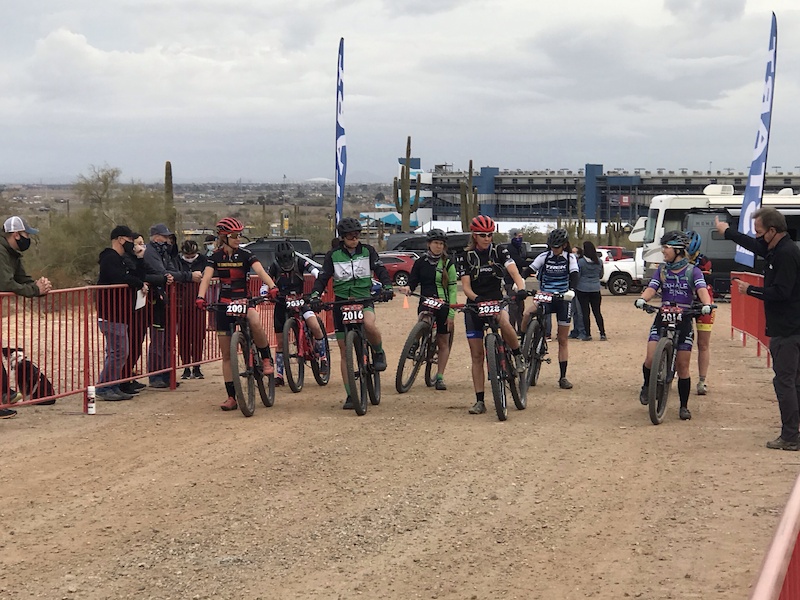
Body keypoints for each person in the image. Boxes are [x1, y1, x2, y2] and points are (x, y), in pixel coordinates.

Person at [714, 210, 800, 449]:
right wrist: (727, 232)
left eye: (761, 232)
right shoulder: (777, 248)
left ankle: (790, 437)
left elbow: (782, 292)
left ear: (773, 231)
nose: (758, 237)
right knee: (793, 382)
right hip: (789, 328)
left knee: (785, 383)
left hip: (788, 330)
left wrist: (749, 290)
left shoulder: (785, 254)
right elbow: (752, 245)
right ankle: (794, 432)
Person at [310, 217, 393, 410]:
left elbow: (380, 270)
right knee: (344, 351)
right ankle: (350, 394)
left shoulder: (368, 251)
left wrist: (387, 286)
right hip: (342, 302)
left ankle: (378, 352)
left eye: (356, 236)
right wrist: (315, 295)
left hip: (363, 298)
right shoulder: (333, 255)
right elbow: (323, 277)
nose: (354, 239)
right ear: (342, 238)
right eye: (349, 237)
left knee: (370, 325)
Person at [195, 217, 277, 411]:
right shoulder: (214, 257)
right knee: (226, 355)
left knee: (255, 320)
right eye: (234, 235)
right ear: (223, 237)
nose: (238, 238)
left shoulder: (246, 254)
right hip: (224, 304)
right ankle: (231, 396)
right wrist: (200, 296)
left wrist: (272, 285)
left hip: (243, 300)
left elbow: (260, 271)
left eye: (240, 234)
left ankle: (265, 358)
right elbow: (206, 277)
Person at [634, 230, 713, 421]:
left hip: (684, 319)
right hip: (662, 317)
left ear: (677, 250)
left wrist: (707, 304)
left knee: (683, 366)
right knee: (650, 359)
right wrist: (642, 299)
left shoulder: (692, 270)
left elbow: (702, 289)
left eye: (666, 247)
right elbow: (652, 288)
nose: (663, 251)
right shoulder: (662, 270)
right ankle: (647, 385)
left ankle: (683, 406)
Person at [459, 215, 527, 415]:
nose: (487, 238)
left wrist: (520, 288)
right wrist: (476, 298)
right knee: (477, 355)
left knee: (505, 322)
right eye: (482, 235)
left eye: (490, 234)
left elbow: (514, 272)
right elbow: (466, 287)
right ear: (474, 235)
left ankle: (517, 354)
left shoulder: (499, 251)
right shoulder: (466, 256)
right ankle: (479, 400)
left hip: (497, 300)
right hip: (475, 303)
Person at [0, 216, 51, 418]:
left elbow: (21, 279)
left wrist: (40, 286)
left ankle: (4, 396)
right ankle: (4, 395)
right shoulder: (2, 252)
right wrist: (34, 290)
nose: (28, 238)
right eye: (26, 234)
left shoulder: (13, 254)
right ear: (16, 234)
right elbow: (6, 284)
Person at [142, 223, 202, 389]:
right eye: (165, 237)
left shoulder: (163, 253)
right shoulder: (151, 253)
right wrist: (188, 276)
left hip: (165, 301)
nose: (168, 240)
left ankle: (167, 373)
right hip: (155, 302)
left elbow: (170, 271)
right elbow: (163, 273)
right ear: (155, 237)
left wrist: (178, 276)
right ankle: (156, 376)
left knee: (167, 341)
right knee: (158, 340)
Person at [398, 229, 458, 390]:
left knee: (442, 341)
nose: (438, 246)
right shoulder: (420, 262)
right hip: (426, 301)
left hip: (444, 304)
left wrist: (451, 312)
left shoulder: (448, 263)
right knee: (424, 320)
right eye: (435, 243)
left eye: (441, 244)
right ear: (429, 244)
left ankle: (439, 377)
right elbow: (413, 280)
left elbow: (452, 289)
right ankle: (415, 342)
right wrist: (408, 288)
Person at [523, 228, 580, 389]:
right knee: (527, 313)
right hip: (545, 296)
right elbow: (530, 270)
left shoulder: (570, 258)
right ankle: (524, 343)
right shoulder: (544, 257)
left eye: (558, 246)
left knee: (562, 339)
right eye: (552, 246)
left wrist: (572, 290)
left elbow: (575, 275)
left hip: (563, 298)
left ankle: (562, 377)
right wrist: (519, 280)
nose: (555, 250)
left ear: (564, 245)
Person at [95, 225, 147, 401]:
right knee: (118, 351)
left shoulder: (123, 258)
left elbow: (136, 275)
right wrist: (138, 284)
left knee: (119, 351)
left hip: (121, 314)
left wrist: (138, 258)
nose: (132, 244)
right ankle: (105, 386)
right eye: (130, 240)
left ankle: (112, 385)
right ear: (120, 239)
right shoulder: (109, 258)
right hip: (111, 313)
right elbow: (120, 278)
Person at [267, 240, 327, 386]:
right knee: (280, 343)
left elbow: (315, 272)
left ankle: (323, 358)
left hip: (300, 301)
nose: (286, 264)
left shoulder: (301, 262)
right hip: (282, 304)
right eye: (283, 261)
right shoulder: (274, 267)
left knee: (315, 326)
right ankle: (280, 375)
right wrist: (266, 293)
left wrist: (318, 290)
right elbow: (265, 282)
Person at [119, 232, 153, 396]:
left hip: (140, 306)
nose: (141, 246)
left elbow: (143, 274)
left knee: (137, 343)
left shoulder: (139, 260)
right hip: (129, 308)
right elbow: (132, 278)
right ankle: (123, 379)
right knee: (128, 344)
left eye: (142, 243)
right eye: (137, 243)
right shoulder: (125, 259)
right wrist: (140, 283)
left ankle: (129, 376)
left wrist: (141, 259)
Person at [685, 230, 713, 395]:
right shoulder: (677, 259)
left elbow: (705, 281)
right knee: (681, 338)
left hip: (703, 303)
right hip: (685, 302)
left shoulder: (705, 261)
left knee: (703, 344)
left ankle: (702, 380)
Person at [178, 240, 208, 380]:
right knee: (183, 336)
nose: (189, 259)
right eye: (187, 256)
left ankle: (197, 366)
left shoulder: (204, 261)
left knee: (197, 335)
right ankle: (185, 366)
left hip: (198, 303)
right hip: (181, 304)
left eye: (192, 256)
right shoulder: (177, 261)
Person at [575, 241, 607, 341]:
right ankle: (602, 333)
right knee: (597, 312)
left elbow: (578, 275)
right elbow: (601, 275)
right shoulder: (599, 261)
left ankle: (588, 334)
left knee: (585, 313)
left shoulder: (580, 262)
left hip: (582, 289)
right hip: (595, 288)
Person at [503, 228, 527, 335]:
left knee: (520, 307)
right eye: (518, 236)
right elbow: (518, 262)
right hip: (510, 281)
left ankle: (521, 329)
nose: (520, 239)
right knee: (513, 307)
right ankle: (511, 329)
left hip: (518, 281)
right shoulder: (510, 249)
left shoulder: (519, 248)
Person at [568, 245, 587, 340]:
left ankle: (582, 331)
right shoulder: (570, 262)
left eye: (575, 252)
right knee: (574, 311)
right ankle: (575, 330)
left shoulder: (580, 262)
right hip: (573, 289)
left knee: (580, 312)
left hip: (579, 289)